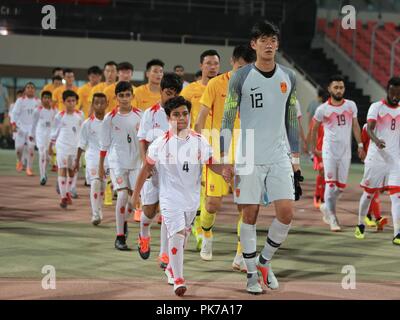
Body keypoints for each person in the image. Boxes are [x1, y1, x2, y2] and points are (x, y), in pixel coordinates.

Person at [220, 21, 303, 294]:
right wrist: (225, 156)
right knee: (250, 214)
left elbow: (291, 117)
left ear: (277, 44)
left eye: (273, 40)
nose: (269, 44)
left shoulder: (288, 77)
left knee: (287, 213)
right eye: (263, 40)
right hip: (249, 154)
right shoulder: (241, 77)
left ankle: (265, 261)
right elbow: (228, 116)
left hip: (279, 154)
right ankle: (251, 275)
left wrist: (295, 158)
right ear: (253, 44)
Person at [131, 96, 224, 297]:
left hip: (191, 199)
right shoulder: (159, 144)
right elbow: (145, 168)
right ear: (168, 117)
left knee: (183, 236)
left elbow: (211, 162)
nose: (181, 118)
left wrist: (225, 170)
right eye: (176, 115)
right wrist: (135, 194)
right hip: (169, 198)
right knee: (177, 233)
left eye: (184, 114)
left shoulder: (199, 141)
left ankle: (172, 268)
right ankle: (179, 279)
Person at [194, 44, 255, 269]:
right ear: (232, 63)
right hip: (218, 151)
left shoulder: (257, 85)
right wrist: (196, 144)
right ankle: (207, 235)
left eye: (248, 69)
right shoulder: (215, 84)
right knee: (212, 204)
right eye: (240, 67)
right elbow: (200, 117)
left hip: (246, 151)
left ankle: (241, 254)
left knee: (245, 206)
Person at [136, 73, 183, 270]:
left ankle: (164, 254)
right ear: (161, 91)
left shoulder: (180, 115)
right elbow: (142, 141)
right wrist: (145, 166)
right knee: (149, 211)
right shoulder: (150, 113)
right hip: (153, 169)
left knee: (167, 212)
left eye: (174, 94)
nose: (170, 98)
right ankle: (143, 234)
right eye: (168, 93)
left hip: (172, 172)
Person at [312, 75, 365, 231]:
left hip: (345, 153)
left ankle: (326, 207)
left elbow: (355, 125)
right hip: (329, 152)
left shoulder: (350, 106)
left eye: (341, 87)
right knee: (330, 184)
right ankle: (333, 218)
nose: (339, 90)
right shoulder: (323, 109)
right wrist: (316, 148)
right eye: (336, 87)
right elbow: (314, 129)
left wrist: (360, 144)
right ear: (329, 89)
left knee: (340, 188)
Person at [181, 49, 220, 249]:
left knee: (210, 196)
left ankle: (203, 229)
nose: (212, 67)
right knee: (193, 189)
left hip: (217, 148)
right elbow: (179, 116)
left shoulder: (226, 87)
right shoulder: (189, 91)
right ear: (201, 66)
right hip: (193, 146)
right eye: (208, 63)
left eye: (215, 64)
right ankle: (195, 228)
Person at [355, 77, 400, 245]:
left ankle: (397, 234)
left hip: (394, 160)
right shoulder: (377, 107)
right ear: (387, 90)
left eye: (398, 93)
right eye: (393, 92)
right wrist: (377, 140)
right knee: (368, 193)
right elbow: (370, 128)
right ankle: (360, 224)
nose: (396, 95)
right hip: (376, 158)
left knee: (397, 197)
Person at [99, 81, 142, 250]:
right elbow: (104, 146)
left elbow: (145, 140)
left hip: (136, 162)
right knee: (123, 196)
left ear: (132, 96)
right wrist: (102, 165)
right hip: (117, 162)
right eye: (121, 95)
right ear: (116, 97)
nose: (124, 99)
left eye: (127, 95)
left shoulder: (140, 115)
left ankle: (125, 223)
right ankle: (119, 237)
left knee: (135, 199)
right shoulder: (109, 119)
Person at [74, 93, 108, 225]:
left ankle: (99, 210)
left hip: (108, 159)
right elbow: (81, 143)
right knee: (95, 182)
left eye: (102, 102)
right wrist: (76, 161)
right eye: (96, 103)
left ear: (106, 104)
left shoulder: (110, 121)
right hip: (93, 156)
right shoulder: (87, 124)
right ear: (93, 105)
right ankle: (95, 214)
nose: (99, 105)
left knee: (103, 185)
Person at [49, 90, 84, 208]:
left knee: (72, 171)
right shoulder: (59, 115)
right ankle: (63, 197)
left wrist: (82, 146)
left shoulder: (80, 115)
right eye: (68, 101)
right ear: (63, 102)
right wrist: (51, 145)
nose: (71, 103)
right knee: (62, 169)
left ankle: (67, 192)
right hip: (62, 146)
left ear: (76, 102)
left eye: (73, 101)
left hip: (74, 147)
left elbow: (82, 132)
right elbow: (54, 131)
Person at [359, 123, 387, 230]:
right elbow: (364, 141)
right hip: (372, 160)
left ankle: (369, 215)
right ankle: (377, 218)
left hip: (384, 161)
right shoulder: (367, 127)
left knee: (376, 190)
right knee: (372, 190)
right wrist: (364, 153)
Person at [11, 82, 41, 176]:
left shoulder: (38, 101)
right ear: (25, 90)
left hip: (32, 129)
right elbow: (14, 113)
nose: (30, 89)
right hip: (21, 128)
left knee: (31, 148)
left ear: (35, 90)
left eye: (32, 87)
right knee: (18, 148)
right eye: (28, 87)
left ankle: (29, 168)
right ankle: (19, 161)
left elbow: (41, 116)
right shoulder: (20, 100)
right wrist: (13, 124)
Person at [29, 91, 57, 185]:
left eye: (49, 98)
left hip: (50, 135)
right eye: (45, 98)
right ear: (42, 99)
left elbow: (57, 125)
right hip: (40, 134)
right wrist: (31, 135)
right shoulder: (37, 110)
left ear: (51, 99)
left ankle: (44, 171)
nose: (47, 99)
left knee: (48, 157)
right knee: (42, 154)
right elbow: (33, 124)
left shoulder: (55, 111)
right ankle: (42, 176)